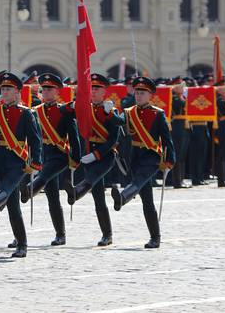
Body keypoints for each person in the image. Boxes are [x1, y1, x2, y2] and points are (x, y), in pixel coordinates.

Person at [0, 72, 42, 258]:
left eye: (8, 89)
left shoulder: (26, 113)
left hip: (18, 160)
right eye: (2, 89)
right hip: (0, 159)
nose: (4, 92)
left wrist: (36, 161)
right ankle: (21, 242)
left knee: (7, 189)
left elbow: (35, 140)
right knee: (13, 206)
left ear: (17, 92)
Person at [111, 76, 175, 249]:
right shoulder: (129, 112)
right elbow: (118, 124)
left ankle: (123, 197)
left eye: (142, 93)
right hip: (135, 156)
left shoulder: (157, 114)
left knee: (138, 181)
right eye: (137, 92)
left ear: (150, 95)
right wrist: (108, 112)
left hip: (152, 156)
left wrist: (170, 160)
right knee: (147, 201)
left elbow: (167, 139)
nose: (138, 96)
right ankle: (155, 237)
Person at [20, 73, 80, 246]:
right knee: (52, 197)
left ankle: (30, 190)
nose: (45, 92)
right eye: (44, 89)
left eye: (49, 89)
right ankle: (60, 234)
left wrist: (75, 158)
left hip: (59, 154)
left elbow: (73, 137)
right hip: (42, 154)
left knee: (44, 176)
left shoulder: (64, 111)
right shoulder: (35, 111)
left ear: (57, 91)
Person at [69, 73, 122, 246]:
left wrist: (96, 155)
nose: (93, 91)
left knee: (91, 180)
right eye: (91, 87)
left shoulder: (111, 110)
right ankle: (107, 235)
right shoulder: (86, 108)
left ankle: (76, 192)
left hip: (105, 156)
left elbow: (114, 138)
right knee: (98, 198)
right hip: (88, 155)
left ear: (104, 91)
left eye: (97, 88)